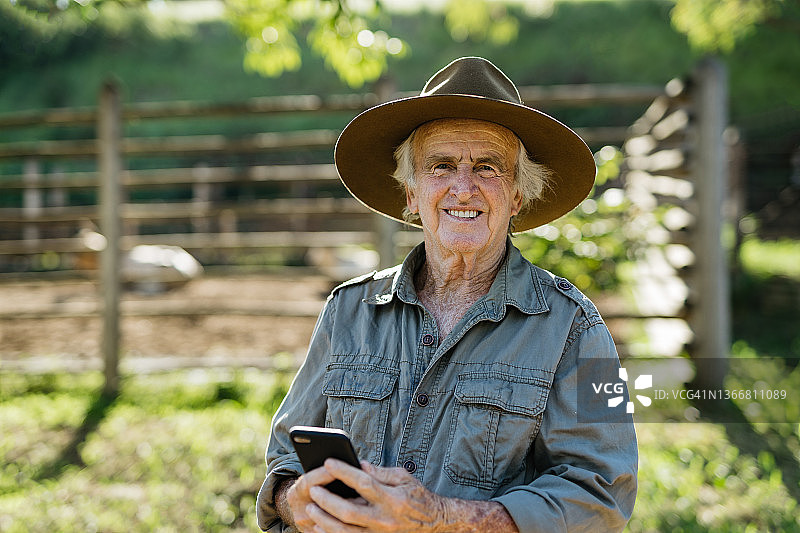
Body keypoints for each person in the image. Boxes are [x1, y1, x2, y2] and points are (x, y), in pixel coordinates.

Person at [256, 56, 638, 532]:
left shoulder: (576, 326)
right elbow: (285, 460)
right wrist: (300, 502)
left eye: (488, 167)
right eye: (440, 166)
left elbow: (604, 493)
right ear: (412, 194)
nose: (463, 187)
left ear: (517, 196)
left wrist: (445, 519)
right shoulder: (347, 310)